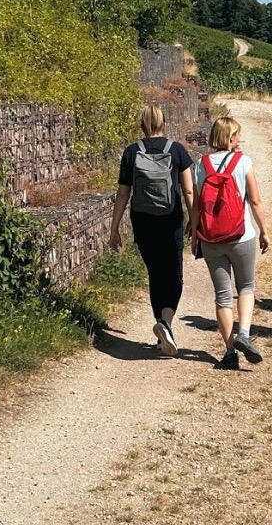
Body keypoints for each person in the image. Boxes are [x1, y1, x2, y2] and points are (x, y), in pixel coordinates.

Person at [109, 103, 194, 356]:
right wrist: (196, 220)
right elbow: (188, 190)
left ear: (142, 125)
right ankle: (166, 323)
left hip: (143, 222)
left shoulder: (131, 152)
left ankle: (162, 333)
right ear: (163, 124)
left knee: (156, 275)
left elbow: (123, 194)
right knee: (175, 275)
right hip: (171, 221)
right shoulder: (177, 150)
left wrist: (114, 229)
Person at [190, 117, 271, 370]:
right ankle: (244, 334)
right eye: (237, 135)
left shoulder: (199, 166)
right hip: (241, 235)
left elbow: (196, 206)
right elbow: (255, 201)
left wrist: (194, 235)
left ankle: (229, 351)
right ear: (231, 137)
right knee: (246, 287)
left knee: (222, 296)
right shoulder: (243, 162)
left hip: (211, 238)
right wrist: (264, 231)